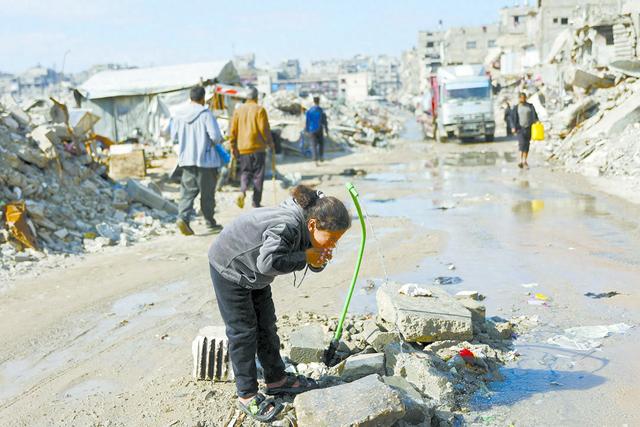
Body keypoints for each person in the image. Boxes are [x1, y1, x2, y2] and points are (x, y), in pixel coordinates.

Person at [208, 185, 352, 422]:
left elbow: (306, 257)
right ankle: (246, 394)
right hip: (230, 266)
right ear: (313, 225)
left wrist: (316, 259)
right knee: (243, 332)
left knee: (266, 325)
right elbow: (268, 263)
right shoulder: (288, 225)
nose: (334, 244)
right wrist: (306, 257)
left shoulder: (310, 221)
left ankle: (276, 379)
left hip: (253, 272)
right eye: (333, 238)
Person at [171, 86, 224, 235]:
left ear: (190, 97)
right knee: (207, 194)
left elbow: (174, 137)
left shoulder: (179, 115)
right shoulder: (206, 114)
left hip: (186, 160)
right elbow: (215, 137)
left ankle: (183, 218)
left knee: (187, 192)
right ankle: (210, 222)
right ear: (203, 98)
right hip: (206, 161)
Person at [229, 87, 275, 209]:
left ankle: (242, 191)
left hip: (243, 148)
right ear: (256, 97)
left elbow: (232, 131)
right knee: (258, 175)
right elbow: (264, 129)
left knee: (245, 172)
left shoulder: (238, 110)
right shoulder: (260, 110)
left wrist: (232, 146)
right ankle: (256, 202)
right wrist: (270, 143)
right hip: (258, 148)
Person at [511, 92, 538, 169]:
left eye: (524, 97)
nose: (523, 99)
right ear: (519, 98)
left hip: (529, 128)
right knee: (522, 144)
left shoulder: (530, 106)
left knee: (527, 145)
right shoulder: (516, 108)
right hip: (520, 128)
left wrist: (536, 121)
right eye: (521, 98)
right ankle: (520, 161)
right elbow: (512, 119)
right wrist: (513, 127)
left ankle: (525, 161)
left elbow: (535, 116)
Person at [305, 96, 329, 166]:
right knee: (321, 143)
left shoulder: (309, 111)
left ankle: (315, 161)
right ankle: (321, 156)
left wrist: (306, 130)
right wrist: (326, 130)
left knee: (313, 145)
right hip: (319, 129)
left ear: (313, 101)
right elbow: (324, 121)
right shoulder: (321, 110)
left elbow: (307, 121)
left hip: (312, 129)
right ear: (319, 101)